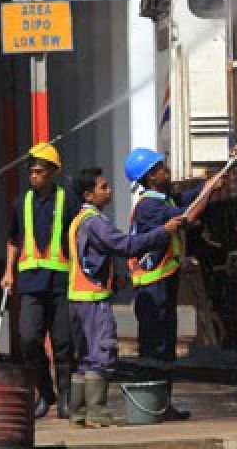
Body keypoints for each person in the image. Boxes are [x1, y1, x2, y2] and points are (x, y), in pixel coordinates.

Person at [67, 167, 182, 428]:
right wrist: (163, 231)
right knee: (102, 352)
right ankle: (96, 412)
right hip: (93, 299)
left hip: (78, 297)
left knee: (85, 357)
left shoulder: (79, 220)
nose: (108, 191)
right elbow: (126, 245)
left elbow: (89, 259)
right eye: (103, 187)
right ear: (89, 194)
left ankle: (78, 413)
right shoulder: (94, 221)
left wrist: (112, 278)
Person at [124, 147, 223, 420]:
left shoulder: (162, 199)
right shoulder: (149, 206)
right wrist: (208, 191)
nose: (166, 171)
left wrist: (211, 183)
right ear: (149, 177)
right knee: (155, 347)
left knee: (165, 347)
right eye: (159, 169)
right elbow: (186, 216)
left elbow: (186, 199)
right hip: (152, 285)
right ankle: (150, 406)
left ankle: (162, 405)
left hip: (162, 283)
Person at [0, 142, 80, 419]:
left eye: (40, 171)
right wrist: (9, 271)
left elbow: (80, 235)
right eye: (32, 171)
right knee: (28, 340)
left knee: (63, 343)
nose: (34, 175)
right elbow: (13, 239)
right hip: (30, 283)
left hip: (60, 281)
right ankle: (46, 394)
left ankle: (66, 401)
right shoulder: (20, 203)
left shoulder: (68, 200)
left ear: (52, 171)